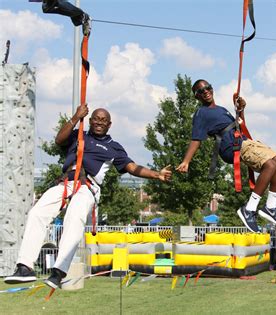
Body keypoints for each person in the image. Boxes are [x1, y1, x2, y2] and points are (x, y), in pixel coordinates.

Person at [5, 104, 172, 289]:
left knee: (74, 216)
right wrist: (76, 116)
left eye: (103, 120)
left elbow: (132, 168)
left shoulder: (113, 148)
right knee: (37, 212)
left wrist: (156, 174)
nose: (99, 122)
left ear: (109, 125)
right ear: (90, 121)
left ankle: (59, 271)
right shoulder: (78, 135)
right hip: (66, 181)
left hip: (88, 186)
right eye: (96, 118)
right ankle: (24, 267)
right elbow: (59, 140)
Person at [176, 79, 276, 233]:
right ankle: (249, 209)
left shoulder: (221, 109)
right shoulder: (201, 113)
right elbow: (196, 139)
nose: (206, 92)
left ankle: (271, 206)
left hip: (243, 140)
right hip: (231, 146)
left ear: (212, 88)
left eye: (207, 88)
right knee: (271, 164)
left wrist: (240, 109)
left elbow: (240, 125)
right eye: (201, 91)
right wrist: (186, 161)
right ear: (197, 97)